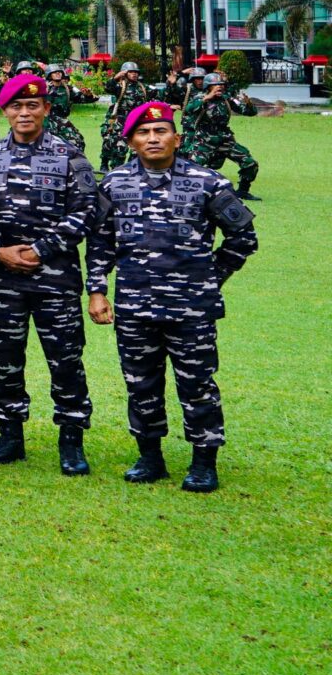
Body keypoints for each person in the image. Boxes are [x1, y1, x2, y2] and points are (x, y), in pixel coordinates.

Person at [89, 100, 259, 492]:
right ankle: (150, 457)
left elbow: (243, 238)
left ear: (176, 138)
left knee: (197, 384)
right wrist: (97, 291)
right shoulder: (114, 184)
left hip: (192, 309)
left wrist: (209, 277)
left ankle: (203, 462)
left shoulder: (207, 182)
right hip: (135, 306)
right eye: (144, 133)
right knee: (140, 383)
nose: (153, 138)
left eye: (161, 131)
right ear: (130, 141)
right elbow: (100, 243)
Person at [0, 72, 98, 475]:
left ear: (46, 108)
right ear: (4, 110)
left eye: (32, 105)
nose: (24, 112)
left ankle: (71, 440)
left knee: (65, 360)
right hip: (5, 277)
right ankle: (10, 435)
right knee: (7, 358)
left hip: (56, 280)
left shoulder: (70, 155)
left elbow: (86, 212)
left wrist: (41, 249)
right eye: (16, 106)